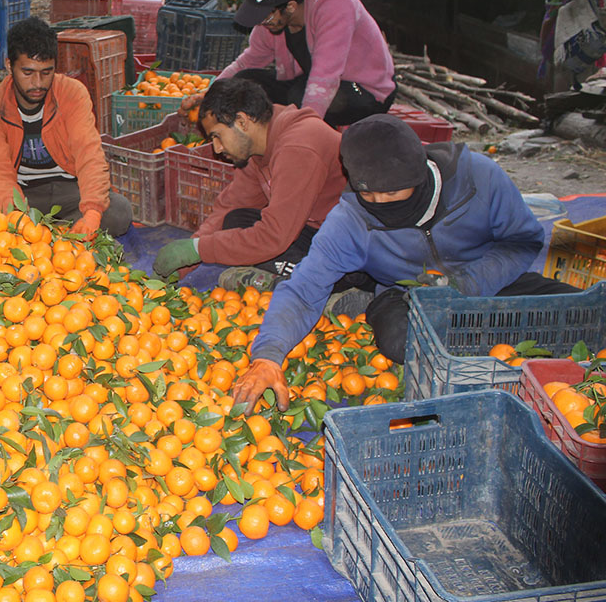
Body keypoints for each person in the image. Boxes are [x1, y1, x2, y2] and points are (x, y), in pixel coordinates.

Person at [229, 114, 580, 413]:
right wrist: (268, 355)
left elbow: (523, 241)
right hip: (405, 295)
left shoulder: (477, 179)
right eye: (369, 194)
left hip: (491, 279)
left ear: (418, 176)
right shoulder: (351, 219)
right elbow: (304, 291)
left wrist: (466, 285)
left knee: (577, 311)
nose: (381, 203)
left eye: (393, 194)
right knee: (399, 341)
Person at [152, 77, 348, 291]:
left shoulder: (299, 148)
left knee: (260, 244)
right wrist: (185, 260)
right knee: (234, 221)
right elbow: (230, 206)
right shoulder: (258, 145)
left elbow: (274, 236)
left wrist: (200, 249)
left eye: (217, 136)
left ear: (243, 122)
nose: (217, 148)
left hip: (348, 248)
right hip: (310, 230)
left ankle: (326, 284)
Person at [0, 17, 133, 237]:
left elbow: (89, 155)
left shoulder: (72, 93)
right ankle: (56, 235)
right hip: (23, 192)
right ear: (9, 65)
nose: (38, 83)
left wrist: (92, 212)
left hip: (69, 190)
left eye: (46, 72)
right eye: (28, 73)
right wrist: (19, 219)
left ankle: (57, 235)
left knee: (118, 213)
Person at [181, 0, 396, 127]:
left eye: (266, 16)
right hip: (310, 84)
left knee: (298, 96)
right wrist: (209, 96)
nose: (262, 23)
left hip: (366, 92)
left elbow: (325, 76)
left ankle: (317, 138)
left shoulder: (334, 5)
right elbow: (247, 61)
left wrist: (304, 131)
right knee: (244, 81)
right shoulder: (274, 21)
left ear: (290, 7)